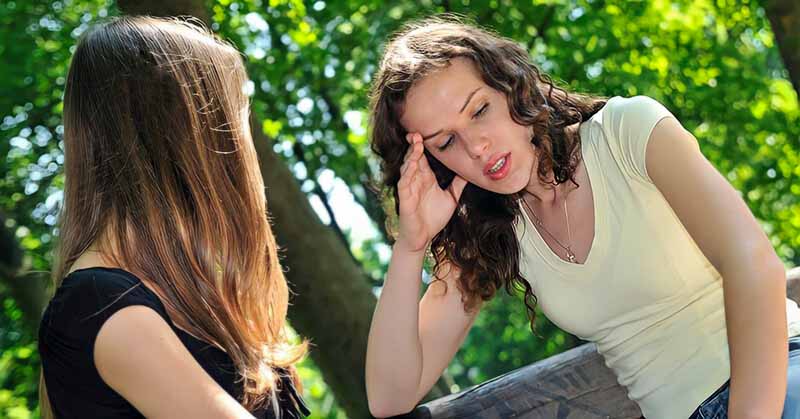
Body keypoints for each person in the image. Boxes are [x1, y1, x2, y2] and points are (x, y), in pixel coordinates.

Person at [365, 16, 800, 419]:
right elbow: (390, 397)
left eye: (479, 110)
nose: (476, 147)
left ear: (512, 85)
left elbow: (752, 264)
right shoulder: (492, 233)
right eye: (447, 142)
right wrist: (411, 244)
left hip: (781, 374)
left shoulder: (626, 132)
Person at [38, 16, 309, 419]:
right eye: (233, 119)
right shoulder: (102, 306)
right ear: (189, 138)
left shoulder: (189, 293)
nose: (242, 143)